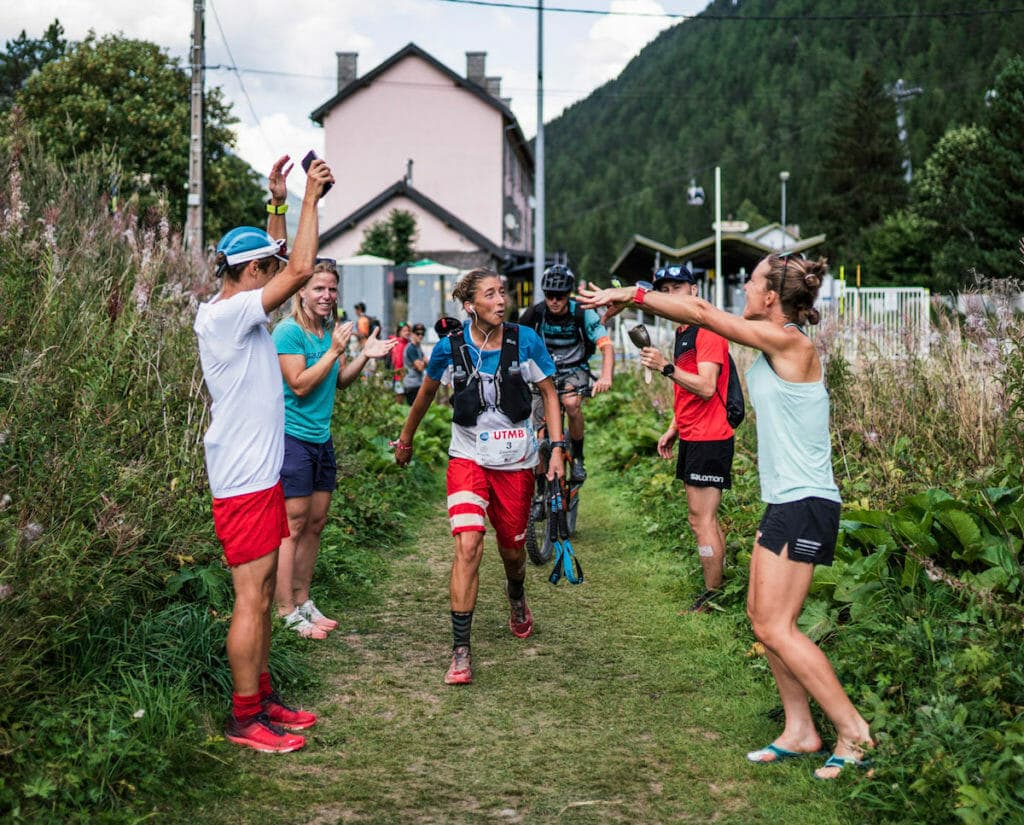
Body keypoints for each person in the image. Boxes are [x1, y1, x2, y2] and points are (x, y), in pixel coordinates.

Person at [577, 254, 873, 779]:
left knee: (779, 627)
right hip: (785, 500)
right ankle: (800, 730)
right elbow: (702, 309)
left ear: (770, 298)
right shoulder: (772, 338)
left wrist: (631, 295)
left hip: (805, 503)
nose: (745, 290)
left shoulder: (791, 343)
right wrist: (634, 296)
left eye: (753, 282)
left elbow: (706, 316)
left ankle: (854, 732)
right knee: (762, 618)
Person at [193, 154, 334, 753]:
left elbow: (276, 261)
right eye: (264, 271)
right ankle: (244, 717)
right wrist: (310, 197)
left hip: (259, 474)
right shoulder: (227, 317)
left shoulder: (235, 304)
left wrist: (275, 204)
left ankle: (264, 694)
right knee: (250, 598)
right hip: (244, 480)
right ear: (249, 273)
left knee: (265, 582)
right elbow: (299, 268)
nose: (273, 279)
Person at [392, 268, 565, 685]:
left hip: (516, 462)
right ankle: (460, 651)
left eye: (502, 292)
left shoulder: (525, 340)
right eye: (490, 294)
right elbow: (425, 396)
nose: (501, 300)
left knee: (512, 552)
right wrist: (405, 439)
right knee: (468, 544)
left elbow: (549, 394)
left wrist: (557, 450)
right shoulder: (449, 349)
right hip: (467, 457)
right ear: (469, 305)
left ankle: (517, 595)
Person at [271, 259, 395, 639]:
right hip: (292, 438)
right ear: (302, 292)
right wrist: (333, 350)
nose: (327, 296)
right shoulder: (288, 332)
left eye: (332, 289)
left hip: (321, 439)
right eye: (319, 289)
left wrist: (362, 356)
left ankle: (303, 599)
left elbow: (338, 381)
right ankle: (284, 610)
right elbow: (299, 385)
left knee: (316, 523)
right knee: (290, 526)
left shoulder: (328, 331)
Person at [637, 265, 735, 613]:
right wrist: (674, 429)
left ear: (694, 291)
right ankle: (718, 589)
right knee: (703, 517)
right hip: (694, 434)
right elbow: (690, 391)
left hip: (711, 436)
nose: (670, 294)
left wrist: (666, 367)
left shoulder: (706, 330)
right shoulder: (685, 331)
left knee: (701, 519)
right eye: (664, 289)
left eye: (678, 287)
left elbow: (707, 387)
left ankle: (712, 597)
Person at [518, 264, 614, 482]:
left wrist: (606, 376)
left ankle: (578, 457)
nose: (554, 301)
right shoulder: (536, 313)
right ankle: (541, 493)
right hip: (544, 372)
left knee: (571, 403)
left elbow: (606, 345)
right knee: (540, 431)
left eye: (560, 296)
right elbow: (513, 342)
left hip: (575, 368)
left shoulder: (583, 313)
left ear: (568, 295)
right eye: (550, 296)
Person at [401, 322, 427, 405]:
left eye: (422, 333)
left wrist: (423, 363)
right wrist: (423, 363)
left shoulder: (418, 347)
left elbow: (427, 363)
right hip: (411, 385)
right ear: (412, 334)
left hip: (418, 383)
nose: (420, 336)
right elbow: (420, 367)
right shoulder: (411, 348)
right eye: (418, 333)